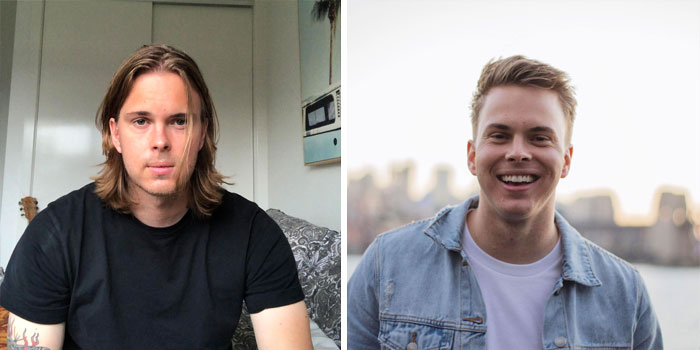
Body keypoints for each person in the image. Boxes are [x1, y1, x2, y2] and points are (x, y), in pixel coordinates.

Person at [0, 44, 313, 350]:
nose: (160, 141)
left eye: (179, 121)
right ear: (116, 134)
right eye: (141, 121)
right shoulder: (53, 235)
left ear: (202, 133)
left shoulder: (254, 233)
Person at [347, 55, 663, 349]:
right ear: (472, 156)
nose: (517, 152)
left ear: (566, 160)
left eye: (540, 138)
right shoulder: (387, 265)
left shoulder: (626, 294)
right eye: (499, 135)